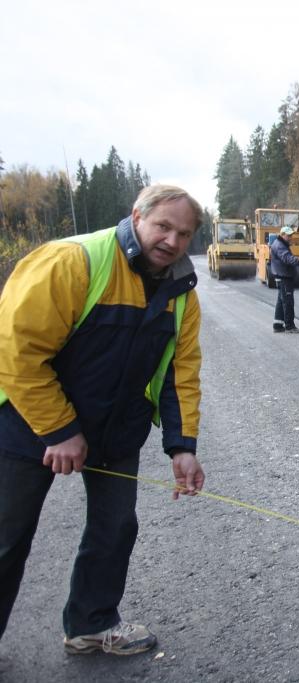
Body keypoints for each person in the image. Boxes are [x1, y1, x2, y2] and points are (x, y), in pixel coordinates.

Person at [0, 184, 206, 656]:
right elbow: (15, 351)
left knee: (115, 529)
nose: (172, 241)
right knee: (7, 537)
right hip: (28, 423)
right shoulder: (72, 262)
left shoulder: (181, 294)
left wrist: (183, 446)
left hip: (116, 430)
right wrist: (59, 430)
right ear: (137, 217)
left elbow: (180, 372)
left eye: (183, 234)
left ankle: (91, 624)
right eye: (163, 226)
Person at [270, 225, 299, 333]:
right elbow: (287, 258)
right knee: (288, 302)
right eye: (288, 235)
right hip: (284, 277)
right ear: (282, 235)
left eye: (291, 235)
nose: (291, 237)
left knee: (281, 301)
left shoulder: (280, 244)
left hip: (282, 276)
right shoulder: (280, 245)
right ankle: (290, 326)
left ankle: (277, 325)